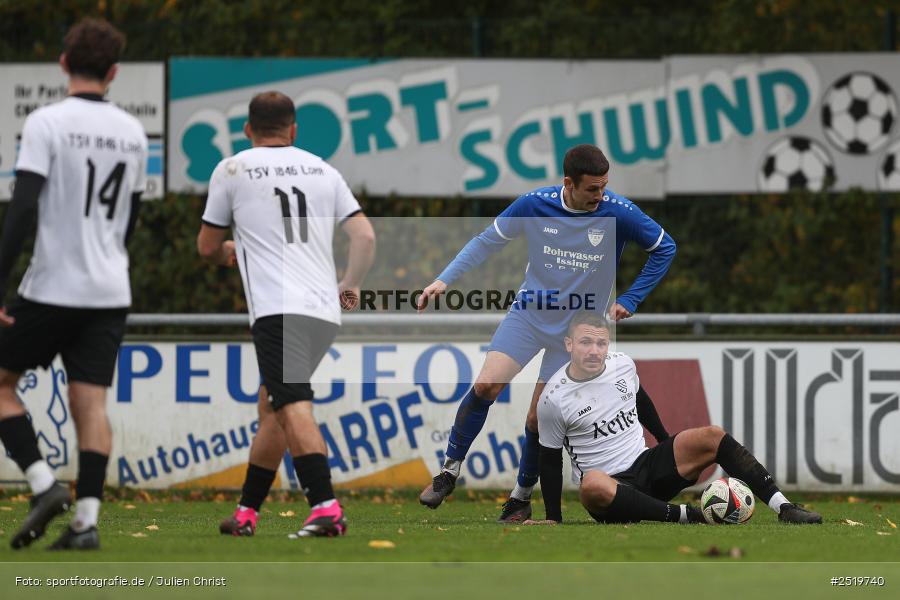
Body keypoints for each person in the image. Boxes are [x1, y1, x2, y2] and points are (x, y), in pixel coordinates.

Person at [417, 144, 676, 522]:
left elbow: (665, 247)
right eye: (592, 189)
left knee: (538, 420)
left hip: (573, 335)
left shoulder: (617, 211)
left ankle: (520, 498)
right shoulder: (535, 204)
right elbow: (486, 241)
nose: (600, 196)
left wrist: (633, 297)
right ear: (568, 183)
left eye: (604, 187)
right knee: (486, 385)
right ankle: (449, 472)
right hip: (529, 316)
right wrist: (444, 279)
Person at [197, 90, 375, 538]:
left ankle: (326, 506)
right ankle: (247, 512)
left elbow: (206, 246)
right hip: (322, 311)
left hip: (278, 310)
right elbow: (365, 237)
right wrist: (349, 284)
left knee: (292, 404)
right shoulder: (322, 169)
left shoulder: (233, 168)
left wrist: (228, 252)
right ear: (294, 130)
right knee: (272, 405)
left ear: (247, 130)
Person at [0, 18, 147, 550]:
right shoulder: (133, 132)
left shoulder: (47, 122)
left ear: (63, 64)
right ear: (113, 72)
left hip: (53, 285)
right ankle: (85, 524)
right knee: (91, 405)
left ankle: (43, 485)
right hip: (110, 290)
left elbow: (22, 209)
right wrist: (108, 256)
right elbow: (129, 217)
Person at [531, 311, 822, 525]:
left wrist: (664, 441)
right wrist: (553, 518)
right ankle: (688, 516)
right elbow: (549, 459)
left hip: (647, 466)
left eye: (601, 344)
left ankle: (784, 508)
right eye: (585, 343)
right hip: (609, 490)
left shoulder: (621, 365)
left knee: (712, 435)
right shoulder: (554, 398)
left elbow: (640, 400)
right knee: (591, 483)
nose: (594, 351)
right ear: (569, 344)